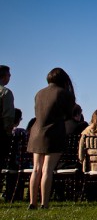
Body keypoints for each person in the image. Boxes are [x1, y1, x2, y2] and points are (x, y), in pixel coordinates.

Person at [27, 68, 76, 209]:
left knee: (36, 169)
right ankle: (45, 203)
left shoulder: (39, 93)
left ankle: (32, 202)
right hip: (54, 132)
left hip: (36, 131)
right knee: (47, 170)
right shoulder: (65, 94)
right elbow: (68, 115)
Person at [0, 65, 15, 169]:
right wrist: (8, 133)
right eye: (9, 75)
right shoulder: (5, 92)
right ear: (4, 76)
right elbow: (8, 116)